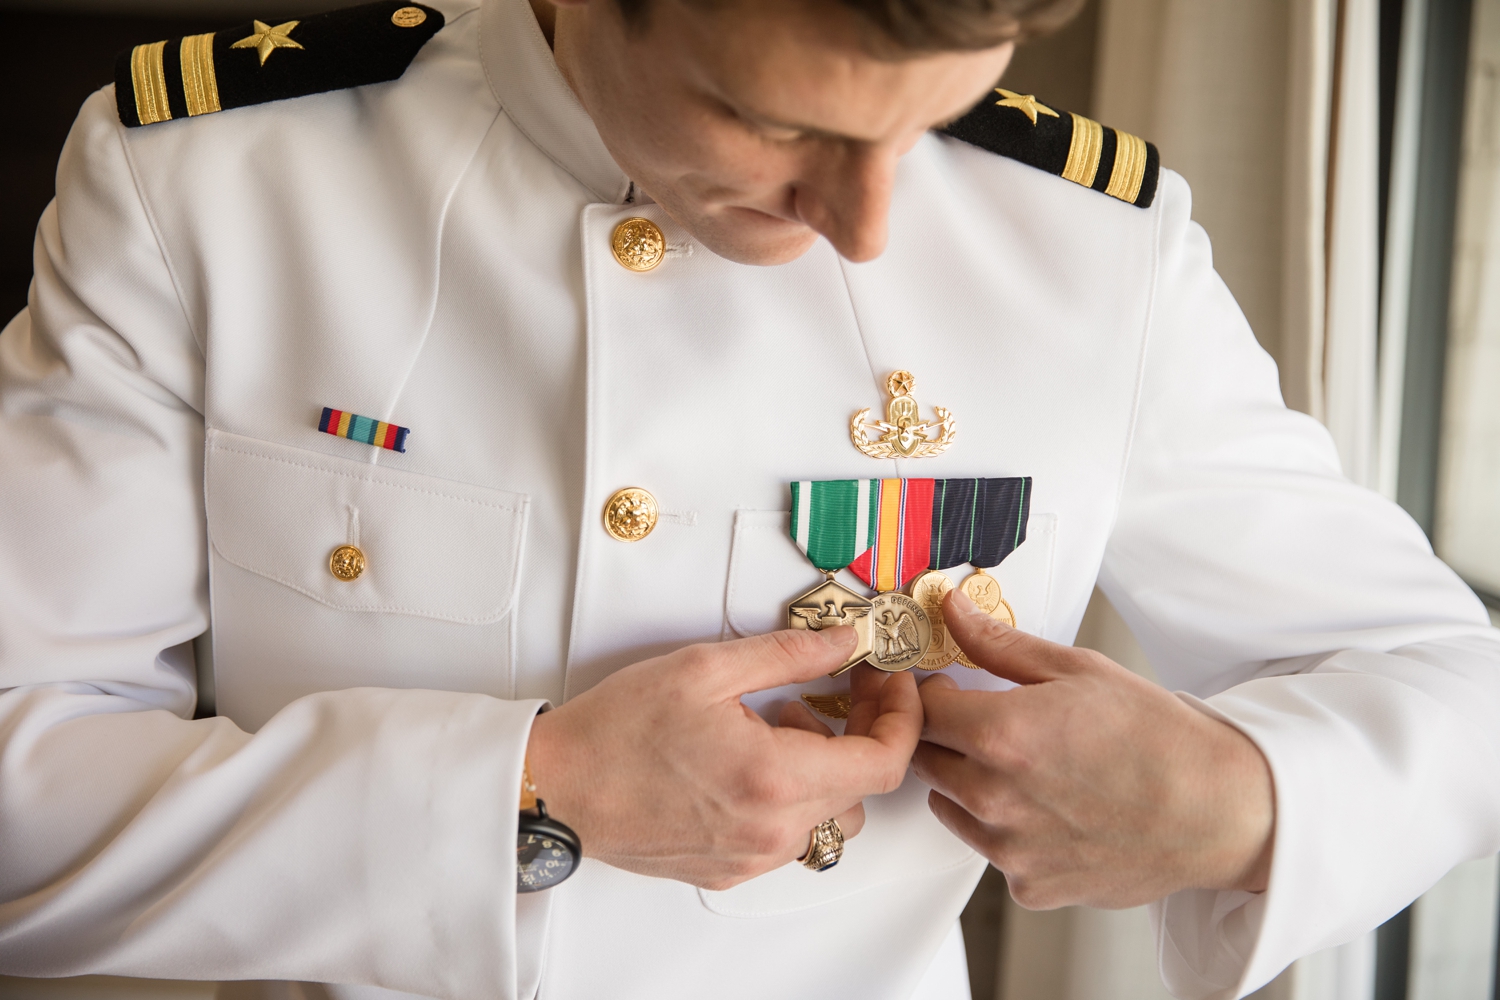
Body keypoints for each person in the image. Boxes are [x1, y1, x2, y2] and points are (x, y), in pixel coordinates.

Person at [1, 0, 1496, 997]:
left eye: (917, 129)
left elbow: (1450, 683)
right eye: (776, 124)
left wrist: (1240, 804)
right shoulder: (207, 185)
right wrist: (532, 801)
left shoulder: (1095, 249)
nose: (864, 222)